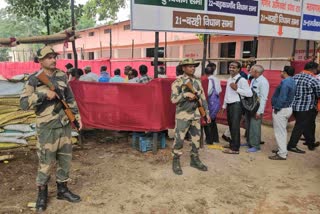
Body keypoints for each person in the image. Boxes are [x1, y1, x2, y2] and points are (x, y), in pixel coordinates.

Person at [20, 46, 82, 211]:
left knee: (65, 159)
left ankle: (63, 190)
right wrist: (43, 95)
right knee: (46, 162)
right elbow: (24, 103)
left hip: (64, 125)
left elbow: (70, 98)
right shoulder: (34, 79)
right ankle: (42, 194)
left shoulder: (62, 75)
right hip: (47, 128)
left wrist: (76, 116)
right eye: (48, 57)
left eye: (54, 56)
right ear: (40, 61)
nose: (53, 59)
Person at [171, 58, 211, 175]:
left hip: (196, 115)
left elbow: (202, 98)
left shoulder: (198, 82)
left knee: (196, 140)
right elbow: (173, 99)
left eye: (194, 66)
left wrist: (206, 112)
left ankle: (194, 159)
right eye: (190, 66)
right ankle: (176, 160)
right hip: (183, 116)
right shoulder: (178, 82)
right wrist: (185, 95)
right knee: (179, 140)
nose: (193, 68)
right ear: (183, 68)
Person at [287, 62, 320, 152]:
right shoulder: (313, 79)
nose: (317, 70)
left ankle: (311, 143)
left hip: (294, 106)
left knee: (305, 125)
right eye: (317, 68)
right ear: (312, 69)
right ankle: (292, 145)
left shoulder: (295, 77)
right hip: (306, 108)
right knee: (300, 126)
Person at [221, 61, 252, 154]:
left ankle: (235, 149)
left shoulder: (242, 80)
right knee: (231, 126)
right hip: (230, 105)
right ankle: (232, 143)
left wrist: (237, 89)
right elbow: (227, 93)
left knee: (235, 127)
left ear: (239, 69)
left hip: (237, 105)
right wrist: (224, 105)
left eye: (234, 67)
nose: (231, 69)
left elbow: (249, 93)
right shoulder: (230, 78)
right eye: (230, 67)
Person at [269, 66, 296, 160]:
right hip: (287, 108)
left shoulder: (285, 82)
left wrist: (276, 107)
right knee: (282, 131)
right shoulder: (292, 81)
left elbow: (282, 97)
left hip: (281, 109)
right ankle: (283, 150)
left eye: (281, 71)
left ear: (284, 72)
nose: (280, 73)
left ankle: (282, 154)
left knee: (279, 132)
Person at [246, 65, 269, 153]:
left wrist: (259, 112)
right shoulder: (254, 79)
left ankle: (255, 145)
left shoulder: (263, 82)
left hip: (257, 107)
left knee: (255, 126)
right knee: (249, 125)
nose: (249, 71)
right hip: (250, 105)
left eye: (251, 70)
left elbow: (263, 98)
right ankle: (250, 142)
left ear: (256, 72)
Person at [204, 64, 221, 144]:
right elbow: (219, 90)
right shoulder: (216, 79)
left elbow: (208, 92)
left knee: (207, 120)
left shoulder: (209, 80)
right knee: (213, 120)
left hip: (210, 102)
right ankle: (215, 138)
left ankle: (209, 139)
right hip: (216, 101)